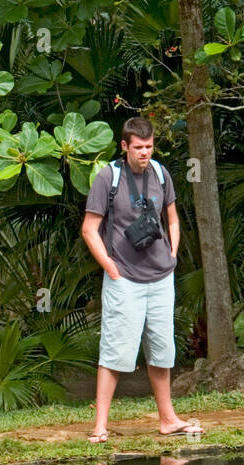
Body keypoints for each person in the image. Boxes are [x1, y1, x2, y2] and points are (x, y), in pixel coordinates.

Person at [81, 118, 200, 442]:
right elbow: (89, 229)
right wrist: (108, 264)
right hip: (125, 278)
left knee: (162, 351)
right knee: (115, 353)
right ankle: (100, 425)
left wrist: (173, 255)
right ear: (124, 146)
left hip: (160, 276)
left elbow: (172, 219)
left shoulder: (161, 174)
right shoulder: (109, 178)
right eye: (138, 148)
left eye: (149, 147)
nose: (144, 153)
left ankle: (168, 419)